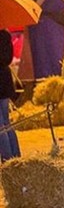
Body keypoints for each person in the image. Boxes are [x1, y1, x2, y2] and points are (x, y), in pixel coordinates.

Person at [0, 30, 20, 162]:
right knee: (7, 123)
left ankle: (7, 159)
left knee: (1, 126)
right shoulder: (5, 35)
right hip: (5, 81)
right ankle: (16, 155)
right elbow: (7, 59)